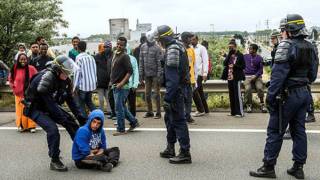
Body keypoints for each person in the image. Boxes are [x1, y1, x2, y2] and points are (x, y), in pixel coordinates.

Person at [249, 14, 318, 179]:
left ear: (288, 30)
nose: (281, 33)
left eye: (282, 29)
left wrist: (270, 98)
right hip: (304, 94)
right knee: (299, 130)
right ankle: (298, 167)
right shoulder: (311, 47)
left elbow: (277, 77)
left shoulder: (285, 46)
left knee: (275, 130)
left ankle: (268, 167)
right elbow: (313, 76)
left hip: (287, 96)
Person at [25, 55, 86, 171]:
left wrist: (80, 117)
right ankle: (54, 160)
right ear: (58, 70)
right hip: (36, 108)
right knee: (53, 130)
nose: (68, 74)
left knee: (71, 123)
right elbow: (50, 105)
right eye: (65, 71)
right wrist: (62, 118)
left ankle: (82, 152)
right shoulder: (45, 79)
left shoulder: (64, 79)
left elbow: (70, 100)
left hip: (49, 105)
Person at [155, 25, 192, 164]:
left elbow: (173, 78)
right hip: (177, 90)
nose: (159, 42)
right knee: (169, 120)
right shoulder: (177, 46)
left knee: (178, 121)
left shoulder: (173, 49)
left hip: (175, 91)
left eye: (160, 39)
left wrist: (168, 98)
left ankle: (185, 153)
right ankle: (170, 148)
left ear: (164, 38)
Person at [110, 37, 140, 136]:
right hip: (115, 85)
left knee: (118, 109)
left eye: (121, 45)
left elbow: (130, 71)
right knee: (122, 107)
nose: (119, 46)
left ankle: (121, 129)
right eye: (118, 44)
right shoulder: (115, 54)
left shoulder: (125, 56)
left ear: (125, 46)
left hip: (122, 87)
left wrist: (121, 83)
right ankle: (134, 122)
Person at [9, 53, 37, 132]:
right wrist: (14, 88)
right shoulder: (14, 68)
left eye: (24, 59)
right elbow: (10, 79)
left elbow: (37, 78)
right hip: (18, 94)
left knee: (31, 109)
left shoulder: (31, 68)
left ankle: (32, 126)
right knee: (20, 111)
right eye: (21, 59)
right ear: (18, 60)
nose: (23, 61)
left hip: (29, 94)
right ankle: (21, 125)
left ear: (27, 60)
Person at [139, 32, 163, 119]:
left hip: (155, 74)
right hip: (146, 74)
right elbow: (141, 62)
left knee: (156, 94)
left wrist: (159, 75)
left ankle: (158, 113)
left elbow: (159, 63)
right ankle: (150, 111)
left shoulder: (157, 48)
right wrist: (140, 75)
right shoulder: (143, 47)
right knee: (147, 94)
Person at [221, 39, 245, 117]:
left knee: (237, 95)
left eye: (232, 47)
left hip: (237, 77)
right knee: (231, 94)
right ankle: (233, 112)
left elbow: (243, 66)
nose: (230, 49)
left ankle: (239, 112)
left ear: (235, 47)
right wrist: (228, 55)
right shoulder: (229, 55)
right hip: (229, 77)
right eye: (229, 48)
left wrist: (235, 66)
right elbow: (225, 64)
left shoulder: (240, 55)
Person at [73, 41, 97, 117]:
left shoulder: (78, 58)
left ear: (78, 48)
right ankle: (98, 116)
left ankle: (83, 121)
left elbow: (77, 73)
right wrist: (95, 82)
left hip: (82, 86)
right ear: (85, 48)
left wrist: (74, 87)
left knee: (81, 105)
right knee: (89, 102)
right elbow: (95, 70)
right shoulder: (91, 57)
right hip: (91, 85)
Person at [243, 44, 267, 113]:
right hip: (247, 77)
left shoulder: (259, 58)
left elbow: (261, 70)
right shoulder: (245, 56)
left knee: (259, 87)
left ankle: (262, 104)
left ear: (255, 50)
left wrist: (255, 76)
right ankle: (249, 105)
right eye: (249, 49)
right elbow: (237, 58)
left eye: (250, 49)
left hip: (257, 77)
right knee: (248, 89)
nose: (249, 50)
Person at [191, 35, 209, 117]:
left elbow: (205, 61)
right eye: (191, 40)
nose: (192, 41)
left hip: (199, 73)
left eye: (194, 39)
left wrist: (205, 73)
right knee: (200, 91)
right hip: (193, 73)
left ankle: (200, 110)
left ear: (197, 40)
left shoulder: (202, 48)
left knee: (194, 91)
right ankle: (205, 109)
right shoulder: (191, 48)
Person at [181, 32, 196, 124]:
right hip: (182, 79)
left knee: (189, 99)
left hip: (190, 78)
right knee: (182, 99)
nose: (191, 40)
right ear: (186, 39)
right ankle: (182, 116)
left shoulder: (191, 50)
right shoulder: (180, 50)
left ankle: (188, 115)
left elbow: (193, 64)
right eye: (190, 38)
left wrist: (193, 79)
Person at [95, 41, 113, 115]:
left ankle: (110, 111)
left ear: (110, 48)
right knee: (101, 99)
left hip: (109, 81)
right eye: (104, 47)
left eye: (107, 47)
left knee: (108, 98)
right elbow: (94, 68)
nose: (105, 48)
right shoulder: (97, 56)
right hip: (100, 81)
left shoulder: (113, 56)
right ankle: (101, 112)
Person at [127, 48, 139, 117]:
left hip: (131, 85)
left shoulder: (133, 59)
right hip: (121, 85)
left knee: (132, 104)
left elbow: (136, 72)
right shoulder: (117, 57)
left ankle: (133, 118)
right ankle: (120, 119)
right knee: (120, 104)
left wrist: (135, 84)